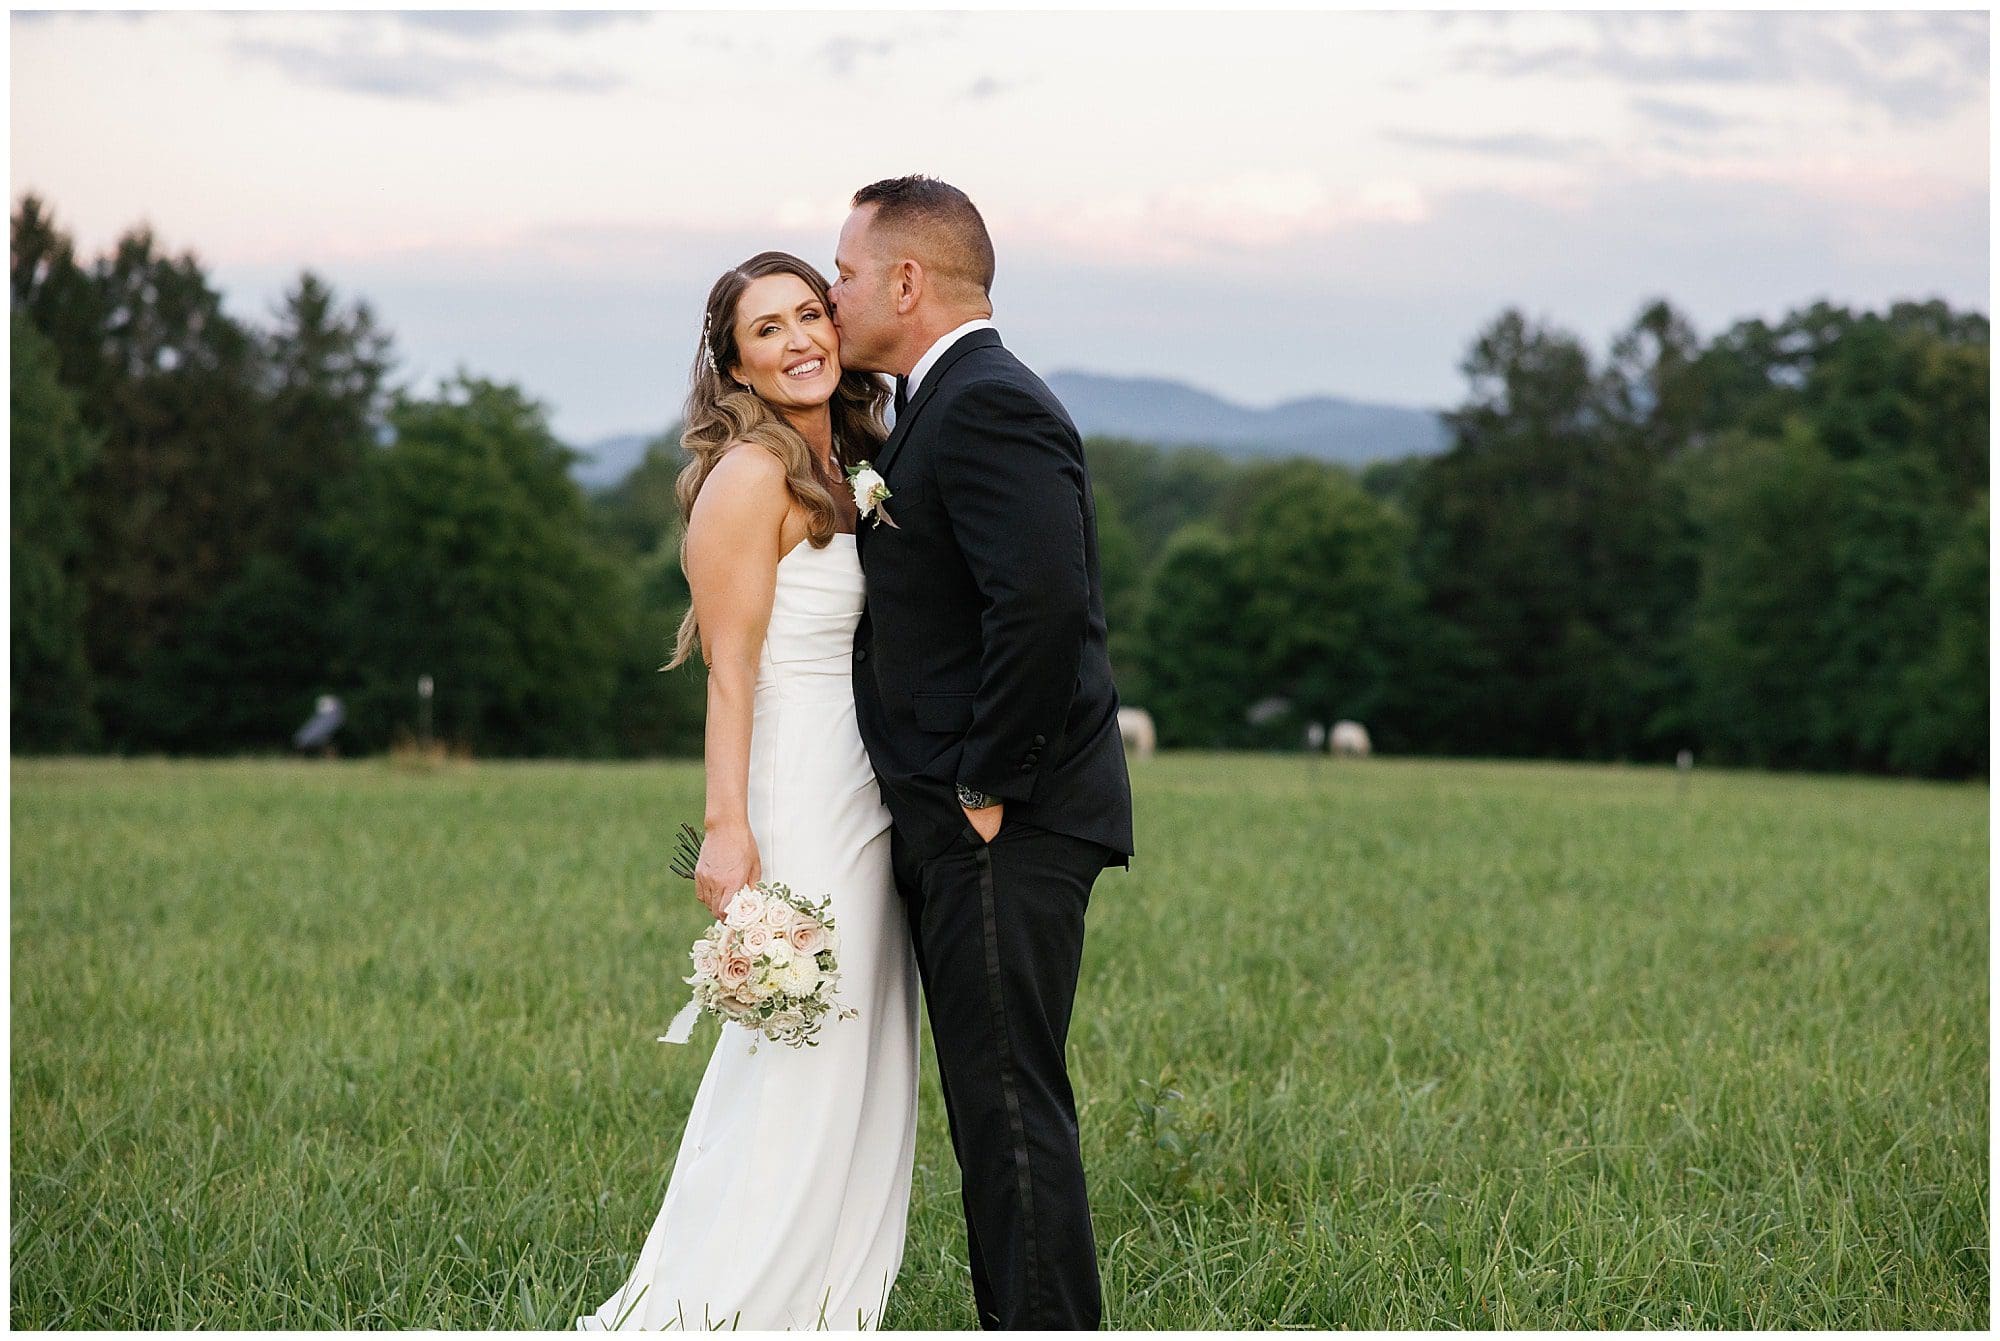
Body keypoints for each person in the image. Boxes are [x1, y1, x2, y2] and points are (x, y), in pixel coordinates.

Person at [575, 252, 919, 1331]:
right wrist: (727, 828)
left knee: (865, 1042)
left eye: (810, 313)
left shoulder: (854, 459)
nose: (799, 339)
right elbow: (731, 670)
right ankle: (730, 1303)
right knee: (800, 1040)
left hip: (870, 782)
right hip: (800, 785)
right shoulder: (749, 476)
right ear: (733, 363)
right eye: (765, 329)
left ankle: (830, 1299)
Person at [830, 176, 1135, 1331]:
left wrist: (984, 786)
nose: (834, 291)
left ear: (907, 281)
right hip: (977, 820)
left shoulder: (989, 402)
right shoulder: (934, 403)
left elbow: (1044, 607)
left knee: (1008, 1111)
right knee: (992, 1106)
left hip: (1006, 819)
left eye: (848, 271)